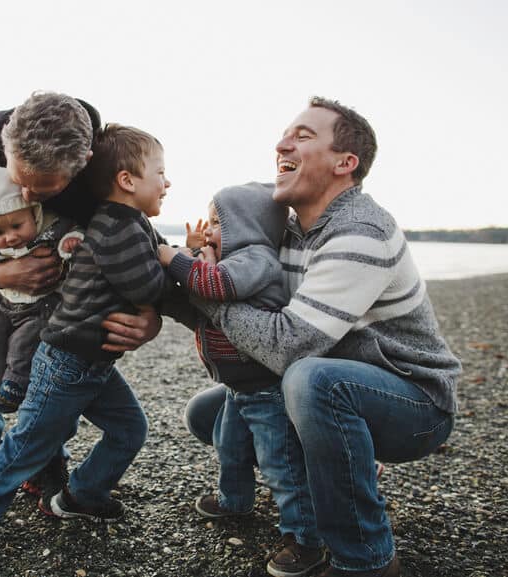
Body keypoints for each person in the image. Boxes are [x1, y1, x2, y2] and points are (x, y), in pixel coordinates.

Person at [185, 97, 462, 577]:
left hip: (414, 403)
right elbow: (252, 312)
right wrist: (194, 274)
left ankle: (366, 558)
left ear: (345, 163)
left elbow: (287, 345)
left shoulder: (362, 230)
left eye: (303, 135)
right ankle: (341, 464)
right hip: (338, 387)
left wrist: (200, 290)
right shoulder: (287, 231)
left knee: (312, 380)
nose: (281, 144)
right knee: (207, 413)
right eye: (285, 134)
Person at [0, 123, 172, 571]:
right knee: (24, 447)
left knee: (129, 428)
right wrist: (180, 264)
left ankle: (79, 496)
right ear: (127, 181)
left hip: (95, 362)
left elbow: (147, 257)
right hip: (67, 361)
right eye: (161, 172)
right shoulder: (114, 229)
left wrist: (174, 254)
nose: (168, 182)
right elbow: (146, 282)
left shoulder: (129, 222)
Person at [160, 183, 328, 574]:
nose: (211, 229)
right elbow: (206, 278)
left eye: (219, 222)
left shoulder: (258, 258)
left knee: (279, 463)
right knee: (230, 445)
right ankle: (233, 498)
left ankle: (305, 538)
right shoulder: (232, 258)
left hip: (264, 387)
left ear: (247, 225)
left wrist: (173, 258)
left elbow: (217, 285)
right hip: (238, 388)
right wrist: (195, 251)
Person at [0, 165, 84, 412]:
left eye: (17, 226)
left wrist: (70, 243)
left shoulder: (50, 226)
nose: (10, 237)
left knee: (25, 340)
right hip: (3, 302)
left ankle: (15, 384)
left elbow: (75, 228)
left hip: (40, 305)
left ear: (33, 214)